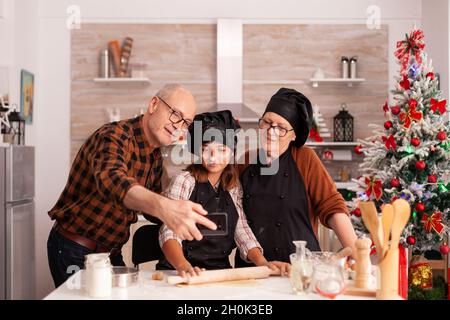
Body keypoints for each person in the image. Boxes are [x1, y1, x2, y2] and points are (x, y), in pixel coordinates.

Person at [47, 84, 216, 287]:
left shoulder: (154, 155)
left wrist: (186, 210)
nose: (178, 126)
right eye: (175, 114)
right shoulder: (114, 136)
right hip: (74, 249)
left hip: (109, 254)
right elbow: (113, 180)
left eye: (185, 122)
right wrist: (165, 207)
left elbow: (155, 209)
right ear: (154, 104)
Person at [156, 110, 291, 277]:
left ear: (231, 151)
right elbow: (169, 231)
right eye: (206, 149)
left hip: (219, 273)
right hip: (179, 272)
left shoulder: (233, 187)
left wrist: (263, 264)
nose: (214, 157)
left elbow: (241, 230)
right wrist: (183, 265)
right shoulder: (184, 181)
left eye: (221, 149)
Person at [235, 88, 357, 268]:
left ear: (294, 135)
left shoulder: (305, 158)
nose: (271, 131)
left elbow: (331, 205)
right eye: (267, 122)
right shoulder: (244, 161)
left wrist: (355, 250)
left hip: (301, 268)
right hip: (254, 270)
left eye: (281, 127)